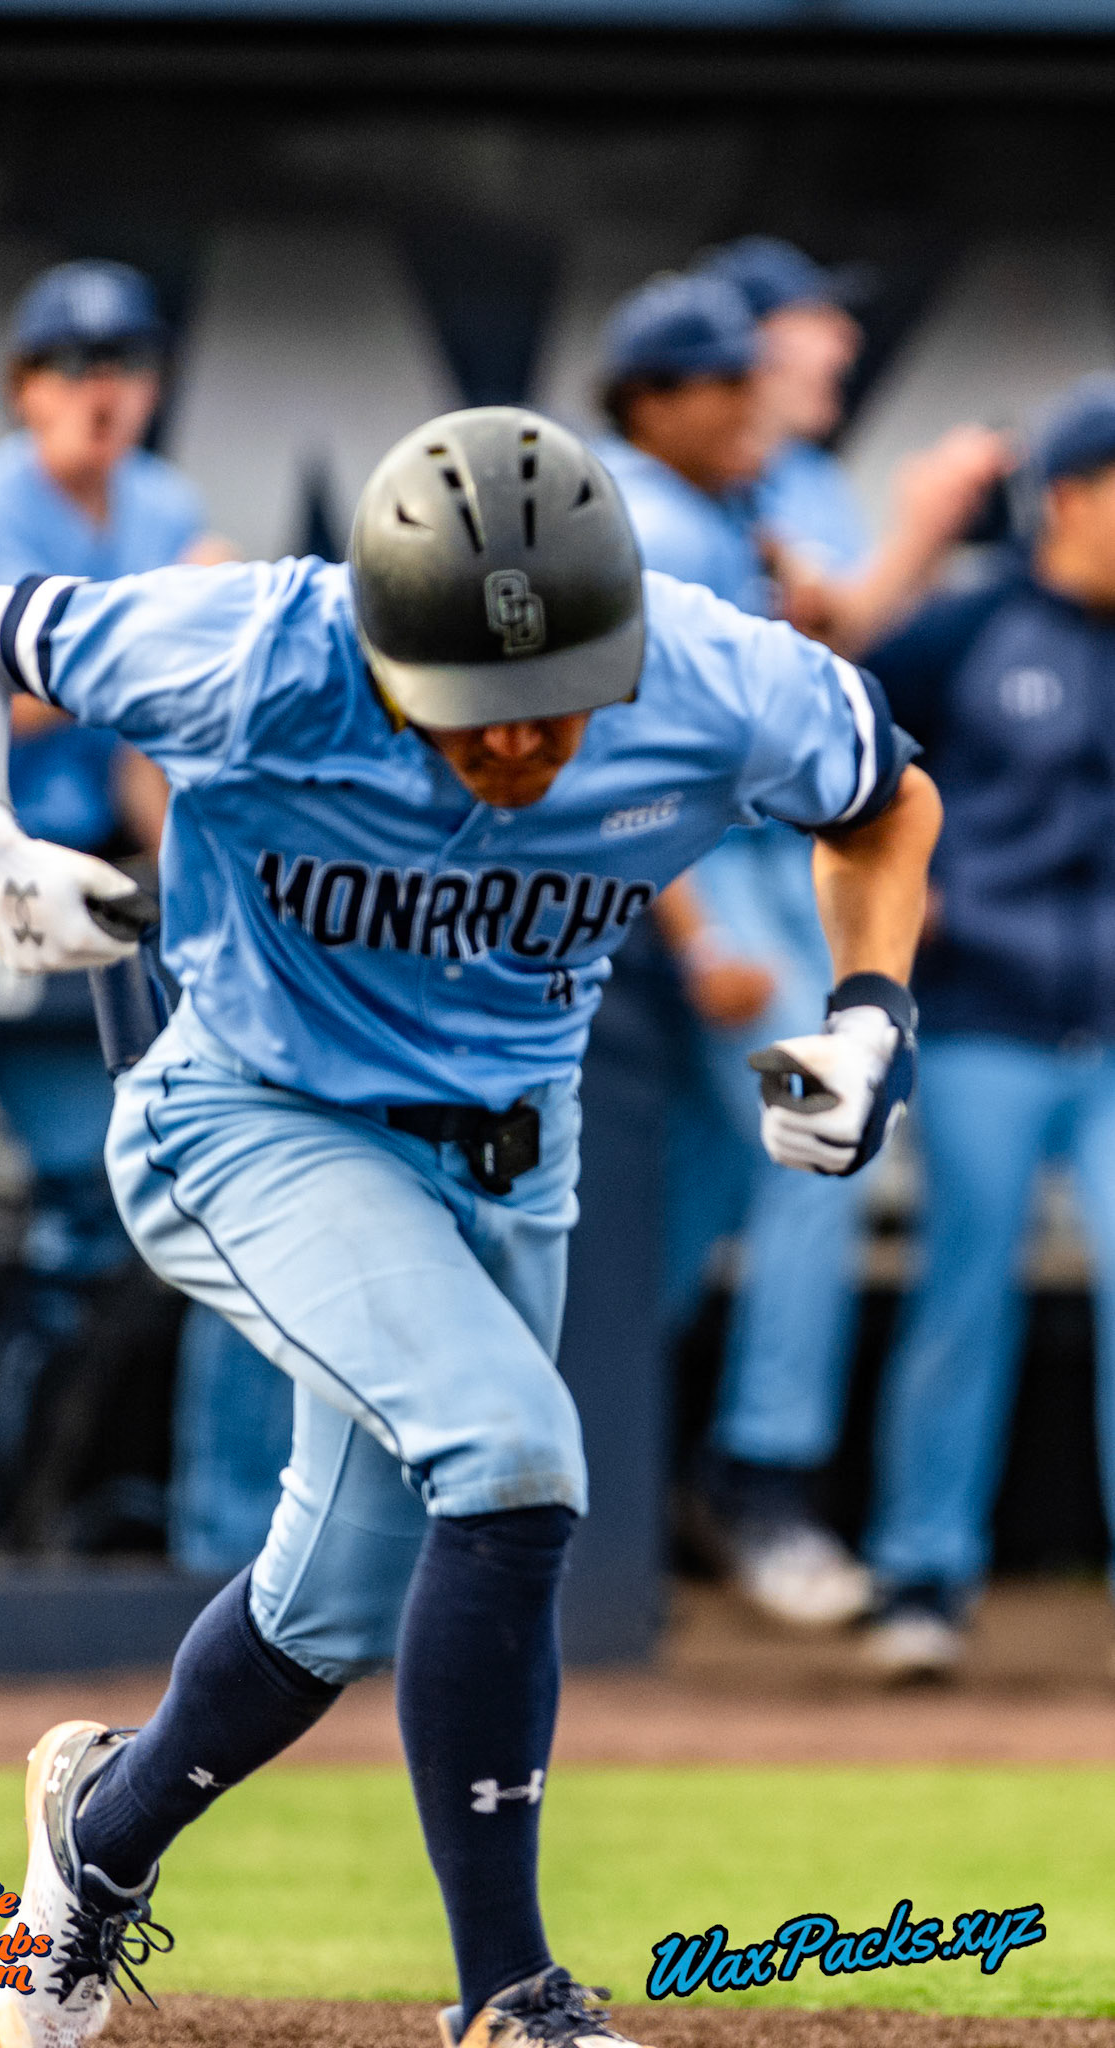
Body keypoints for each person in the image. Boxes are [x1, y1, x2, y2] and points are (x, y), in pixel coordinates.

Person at [0, 403, 938, 2048]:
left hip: (515, 1153)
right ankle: (510, 1993)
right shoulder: (260, 646)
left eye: (551, 705)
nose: (516, 747)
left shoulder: (720, 673)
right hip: (252, 1112)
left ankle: (89, 1845)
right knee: (516, 1457)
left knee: (330, 1604)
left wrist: (873, 1012)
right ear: (374, 639)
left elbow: (885, 801)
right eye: (470, 709)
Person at [596, 270, 1002, 1626]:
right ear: (657, 399)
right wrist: (702, 924)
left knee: (706, 1187)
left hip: (760, 868)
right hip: (707, 883)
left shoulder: (721, 505)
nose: (753, 403)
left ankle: (603, 1452)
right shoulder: (641, 513)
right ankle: (757, 1477)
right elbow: (628, 750)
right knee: (823, 1143)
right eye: (725, 384)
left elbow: (804, 680)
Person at [0, 260, 247, 1557]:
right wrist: (165, 641)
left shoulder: (163, 502)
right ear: (25, 388)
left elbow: (156, 744)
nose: (101, 394)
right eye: (73, 370)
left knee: (108, 1219)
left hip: (81, 882)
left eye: (123, 368)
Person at [860, 375, 1115, 1675]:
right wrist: (913, 896)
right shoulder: (964, 634)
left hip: (1111, 1034)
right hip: (983, 1023)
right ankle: (920, 1581)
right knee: (964, 1290)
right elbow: (834, 750)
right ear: (1070, 496)